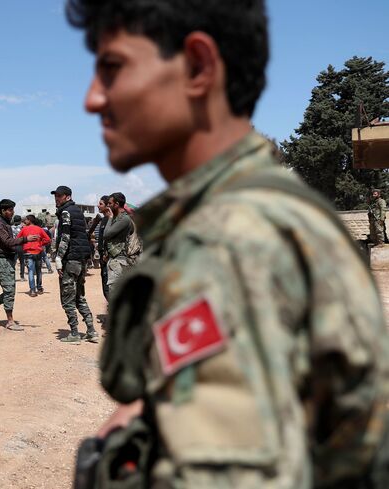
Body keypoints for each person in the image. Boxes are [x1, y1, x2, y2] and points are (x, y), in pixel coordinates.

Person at [66, 0, 389, 486]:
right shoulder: (261, 213)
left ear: (197, 66)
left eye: (112, 68)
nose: (93, 98)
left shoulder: (229, 243)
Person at [0, 200, 38, 330]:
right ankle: (10, 321)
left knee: (9, 291)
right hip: (2, 261)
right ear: (3, 211)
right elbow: (7, 242)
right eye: (10, 210)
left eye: (13, 210)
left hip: (7, 260)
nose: (12, 213)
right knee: (9, 291)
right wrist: (25, 239)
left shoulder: (5, 223)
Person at [51, 186, 97, 343]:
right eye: (55, 196)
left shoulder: (65, 212)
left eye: (59, 196)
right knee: (79, 297)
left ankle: (75, 333)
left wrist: (58, 258)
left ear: (68, 197)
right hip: (81, 260)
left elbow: (65, 237)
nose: (56, 198)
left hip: (71, 260)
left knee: (67, 299)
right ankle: (91, 330)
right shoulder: (77, 211)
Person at [102, 192, 133, 293]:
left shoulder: (124, 219)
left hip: (119, 261)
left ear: (117, 204)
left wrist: (110, 218)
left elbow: (106, 234)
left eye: (110, 204)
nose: (108, 206)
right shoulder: (118, 218)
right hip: (114, 259)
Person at [17, 215, 50, 297]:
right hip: (38, 252)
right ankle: (39, 288)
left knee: (31, 271)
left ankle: (32, 290)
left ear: (29, 220)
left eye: (26, 220)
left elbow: (17, 239)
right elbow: (48, 239)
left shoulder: (24, 229)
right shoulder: (39, 229)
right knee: (39, 271)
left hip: (28, 253)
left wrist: (24, 242)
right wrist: (41, 243)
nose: (24, 221)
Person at [87, 195, 111, 301]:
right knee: (105, 284)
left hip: (109, 257)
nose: (98, 205)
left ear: (108, 205)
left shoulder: (112, 220)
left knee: (109, 285)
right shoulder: (102, 220)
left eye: (101, 204)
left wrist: (107, 254)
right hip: (103, 256)